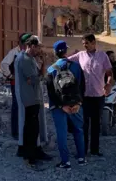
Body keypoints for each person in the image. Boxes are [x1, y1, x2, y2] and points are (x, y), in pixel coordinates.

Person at [68, 34, 113, 157]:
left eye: (87, 43)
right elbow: (66, 60)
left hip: (98, 95)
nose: (85, 46)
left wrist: (108, 84)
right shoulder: (80, 55)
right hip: (85, 96)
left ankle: (95, 150)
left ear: (93, 42)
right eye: (83, 44)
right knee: (84, 124)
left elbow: (109, 72)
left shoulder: (102, 56)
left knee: (95, 124)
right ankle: (83, 151)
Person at [46, 40, 87, 169]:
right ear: (65, 51)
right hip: (75, 105)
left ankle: (65, 162)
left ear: (55, 52)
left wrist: (61, 106)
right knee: (78, 130)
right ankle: (82, 158)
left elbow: (51, 92)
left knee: (62, 133)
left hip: (59, 107)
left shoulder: (51, 69)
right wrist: (79, 103)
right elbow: (82, 86)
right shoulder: (76, 66)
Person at [15, 36, 52, 167]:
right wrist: (42, 73)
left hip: (33, 98)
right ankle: (29, 156)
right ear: (31, 46)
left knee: (33, 127)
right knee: (31, 129)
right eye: (37, 47)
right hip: (29, 99)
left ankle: (33, 152)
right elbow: (31, 80)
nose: (38, 50)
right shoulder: (24, 59)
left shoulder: (29, 59)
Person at [1, 33, 32, 140]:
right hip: (16, 84)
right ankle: (15, 132)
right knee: (17, 106)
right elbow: (4, 64)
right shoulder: (14, 52)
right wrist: (10, 75)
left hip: (27, 85)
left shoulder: (30, 53)